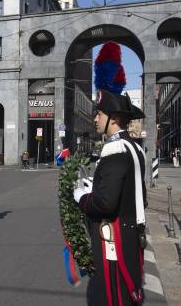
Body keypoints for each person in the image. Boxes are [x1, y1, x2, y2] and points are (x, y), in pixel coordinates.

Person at [73, 41, 147, 306]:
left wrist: (81, 196)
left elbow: (105, 204)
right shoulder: (133, 146)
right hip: (131, 234)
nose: (95, 119)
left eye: (99, 113)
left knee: (113, 297)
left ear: (113, 118)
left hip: (115, 237)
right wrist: (98, 183)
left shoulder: (115, 148)